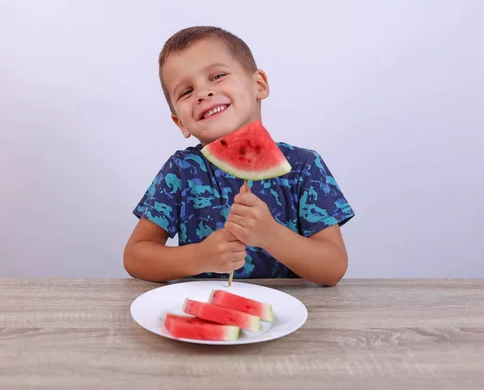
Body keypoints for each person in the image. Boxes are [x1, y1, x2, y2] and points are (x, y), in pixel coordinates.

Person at [123, 26, 355, 286]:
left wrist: (272, 235)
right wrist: (199, 257)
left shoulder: (303, 167)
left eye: (218, 76)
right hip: (207, 310)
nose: (202, 93)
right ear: (181, 123)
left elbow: (333, 268)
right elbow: (135, 256)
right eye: (186, 92)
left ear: (259, 85)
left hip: (284, 317)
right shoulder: (182, 170)